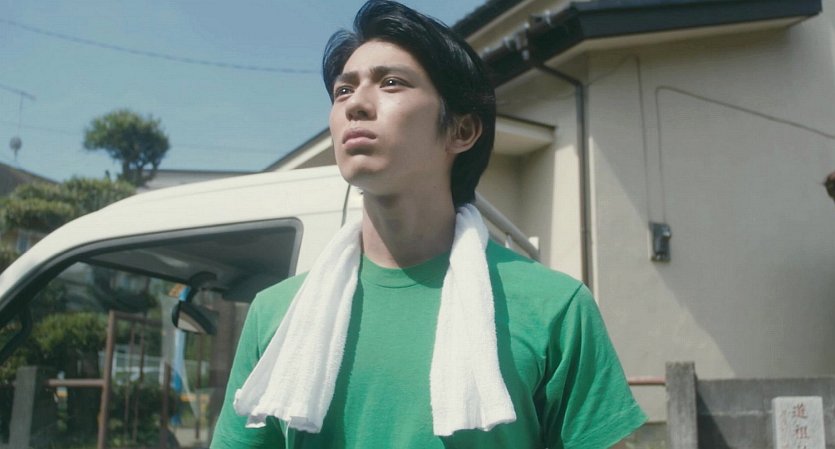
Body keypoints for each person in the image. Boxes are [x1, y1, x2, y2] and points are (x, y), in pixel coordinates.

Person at [211, 1, 646, 448]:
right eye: (343, 90)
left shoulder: (555, 309)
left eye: (391, 83)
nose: (355, 104)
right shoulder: (277, 314)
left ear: (461, 131)